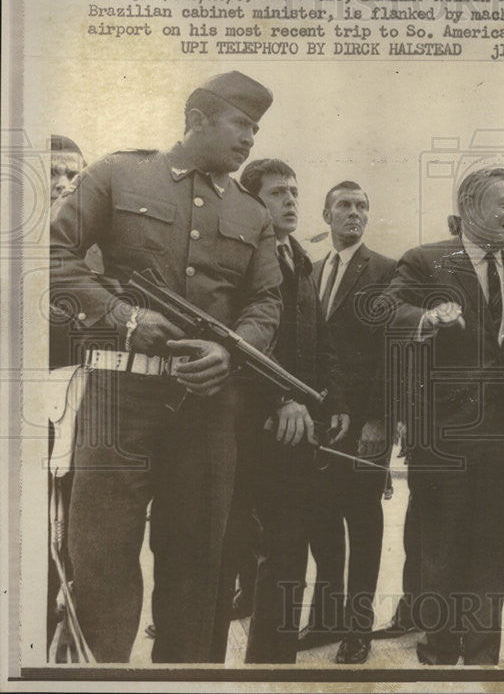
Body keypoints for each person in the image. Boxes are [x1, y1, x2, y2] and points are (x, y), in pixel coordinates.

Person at [49, 71, 282, 662]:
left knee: (197, 565)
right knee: (101, 559)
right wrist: (124, 317)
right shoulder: (118, 174)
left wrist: (229, 352)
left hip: (207, 408)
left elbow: (265, 301)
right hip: (115, 399)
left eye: (257, 128)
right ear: (199, 118)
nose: (251, 139)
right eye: (241, 124)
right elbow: (50, 255)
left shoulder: (254, 214)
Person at [380, 167, 504, 665]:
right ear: (470, 207)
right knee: (440, 550)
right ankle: (436, 655)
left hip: (502, 441)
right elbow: (386, 311)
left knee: (491, 553)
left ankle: (481, 661)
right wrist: (427, 319)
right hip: (444, 438)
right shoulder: (426, 260)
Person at [213, 158, 348, 664]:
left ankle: (271, 668)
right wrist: (280, 398)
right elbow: (238, 342)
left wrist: (335, 401)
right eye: (277, 193)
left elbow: (320, 341)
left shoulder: (301, 259)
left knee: (287, 556)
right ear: (252, 203)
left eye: (294, 191)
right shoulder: (238, 258)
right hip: (244, 425)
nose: (291, 200)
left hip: (296, 432)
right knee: (229, 552)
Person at [304, 180, 396, 664]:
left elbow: (390, 353)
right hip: (319, 423)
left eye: (362, 205)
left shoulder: (385, 270)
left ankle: (358, 628)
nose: (354, 213)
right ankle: (325, 617)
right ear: (326, 215)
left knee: (362, 524)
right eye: (344, 206)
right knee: (320, 522)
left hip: (364, 425)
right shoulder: (313, 271)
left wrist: (380, 420)